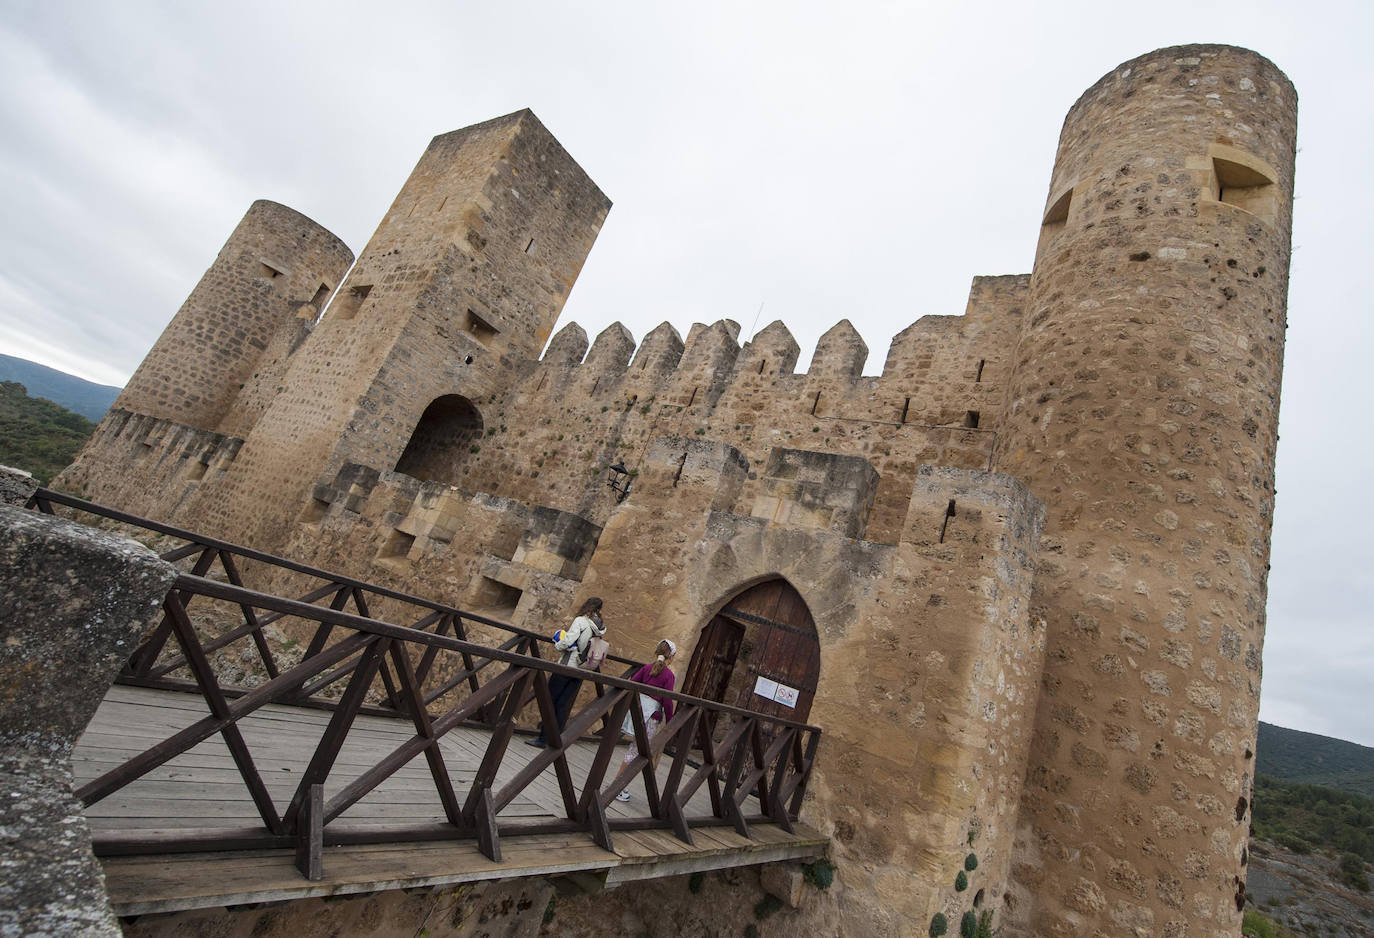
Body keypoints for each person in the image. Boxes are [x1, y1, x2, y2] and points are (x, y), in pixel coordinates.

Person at [526, 597, 605, 748]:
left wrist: (558, 644)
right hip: (581, 669)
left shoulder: (581, 621)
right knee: (562, 705)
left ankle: (543, 738)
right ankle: (554, 739)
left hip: (567, 666)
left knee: (549, 700)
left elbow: (568, 641)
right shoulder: (599, 627)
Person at [615, 639, 677, 801]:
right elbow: (668, 701)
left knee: (635, 749)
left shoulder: (647, 668)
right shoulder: (669, 675)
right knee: (637, 751)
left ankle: (618, 785)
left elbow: (632, 683)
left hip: (638, 711)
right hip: (651, 717)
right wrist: (671, 720)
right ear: (671, 657)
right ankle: (618, 786)